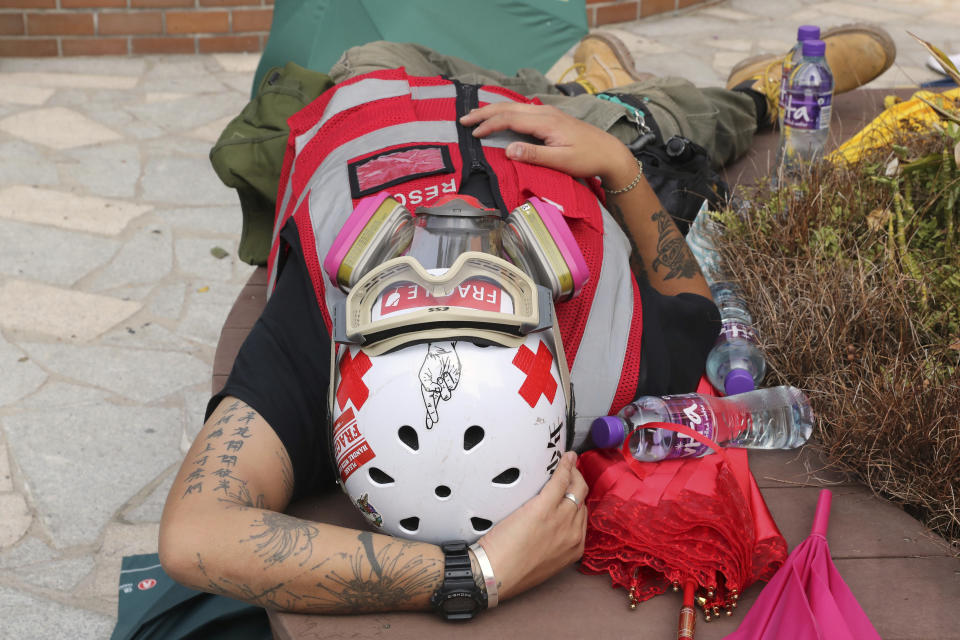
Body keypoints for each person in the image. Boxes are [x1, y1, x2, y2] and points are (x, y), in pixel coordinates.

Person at [159, 29, 894, 619]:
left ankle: (593, 73)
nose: (451, 244)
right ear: (547, 331)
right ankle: (725, 93)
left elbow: (197, 537)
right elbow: (696, 306)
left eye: (420, 286)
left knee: (371, 48)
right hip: (572, 139)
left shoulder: (316, 339)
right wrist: (616, 166)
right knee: (676, 123)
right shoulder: (611, 366)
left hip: (382, 85)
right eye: (488, 278)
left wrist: (465, 576)